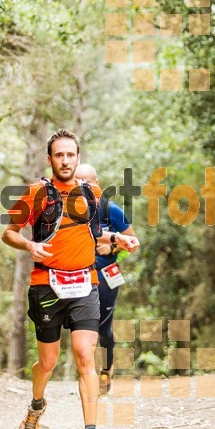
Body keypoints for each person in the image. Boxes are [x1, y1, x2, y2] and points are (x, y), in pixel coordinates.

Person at [1, 129, 137, 429]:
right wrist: (30, 244)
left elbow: (92, 234)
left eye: (71, 155)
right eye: (59, 155)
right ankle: (36, 405)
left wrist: (121, 241)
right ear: (50, 159)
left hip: (85, 285)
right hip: (46, 286)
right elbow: (8, 232)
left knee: (84, 356)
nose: (65, 160)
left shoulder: (92, 192)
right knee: (47, 363)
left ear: (77, 157)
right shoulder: (35, 193)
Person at [76, 164, 139, 395]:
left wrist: (112, 247)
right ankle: (88, 374)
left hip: (106, 276)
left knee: (103, 326)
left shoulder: (111, 210)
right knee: (83, 327)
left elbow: (132, 242)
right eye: (78, 182)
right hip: (79, 276)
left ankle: (106, 369)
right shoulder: (70, 211)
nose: (83, 187)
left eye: (88, 182)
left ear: (97, 184)